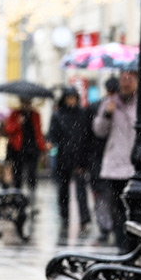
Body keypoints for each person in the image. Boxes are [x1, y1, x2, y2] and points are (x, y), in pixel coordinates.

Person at [92, 69, 141, 250]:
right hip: (115, 165)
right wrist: (107, 114)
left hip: (137, 166)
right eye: (123, 78)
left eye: (130, 78)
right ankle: (122, 246)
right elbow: (98, 131)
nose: (126, 82)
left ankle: (133, 246)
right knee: (117, 209)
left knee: (136, 211)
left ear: (137, 81)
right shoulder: (110, 102)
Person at [47, 87, 92, 233]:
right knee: (63, 189)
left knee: (81, 190)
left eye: (73, 98)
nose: (71, 101)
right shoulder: (58, 115)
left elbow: (86, 137)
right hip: (64, 157)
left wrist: (84, 159)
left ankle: (84, 218)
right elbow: (52, 134)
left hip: (79, 156)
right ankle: (65, 216)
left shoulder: (82, 114)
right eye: (69, 98)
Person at [87, 77, 117, 243]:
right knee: (102, 196)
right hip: (99, 159)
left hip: (117, 161)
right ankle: (105, 227)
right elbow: (94, 132)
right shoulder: (96, 107)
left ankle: (112, 226)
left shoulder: (126, 108)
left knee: (113, 196)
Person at [3, 97, 46, 197]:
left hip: (32, 148)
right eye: (25, 102)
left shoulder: (35, 115)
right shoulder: (15, 114)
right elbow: (8, 130)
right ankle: (18, 195)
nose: (26, 105)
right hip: (18, 148)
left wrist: (42, 148)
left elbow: (38, 132)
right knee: (17, 174)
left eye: (28, 103)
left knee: (32, 173)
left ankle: (31, 194)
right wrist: (18, 123)